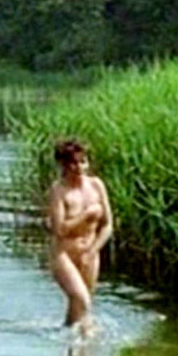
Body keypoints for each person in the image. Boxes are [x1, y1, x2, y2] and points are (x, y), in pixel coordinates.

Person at [47, 139, 113, 329]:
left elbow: (108, 225)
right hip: (64, 255)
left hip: (89, 253)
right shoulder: (58, 191)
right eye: (73, 163)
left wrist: (92, 251)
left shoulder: (97, 185)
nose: (79, 168)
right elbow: (59, 230)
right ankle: (87, 340)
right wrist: (86, 215)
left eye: (83, 162)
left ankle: (69, 340)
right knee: (82, 299)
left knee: (79, 307)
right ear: (63, 165)